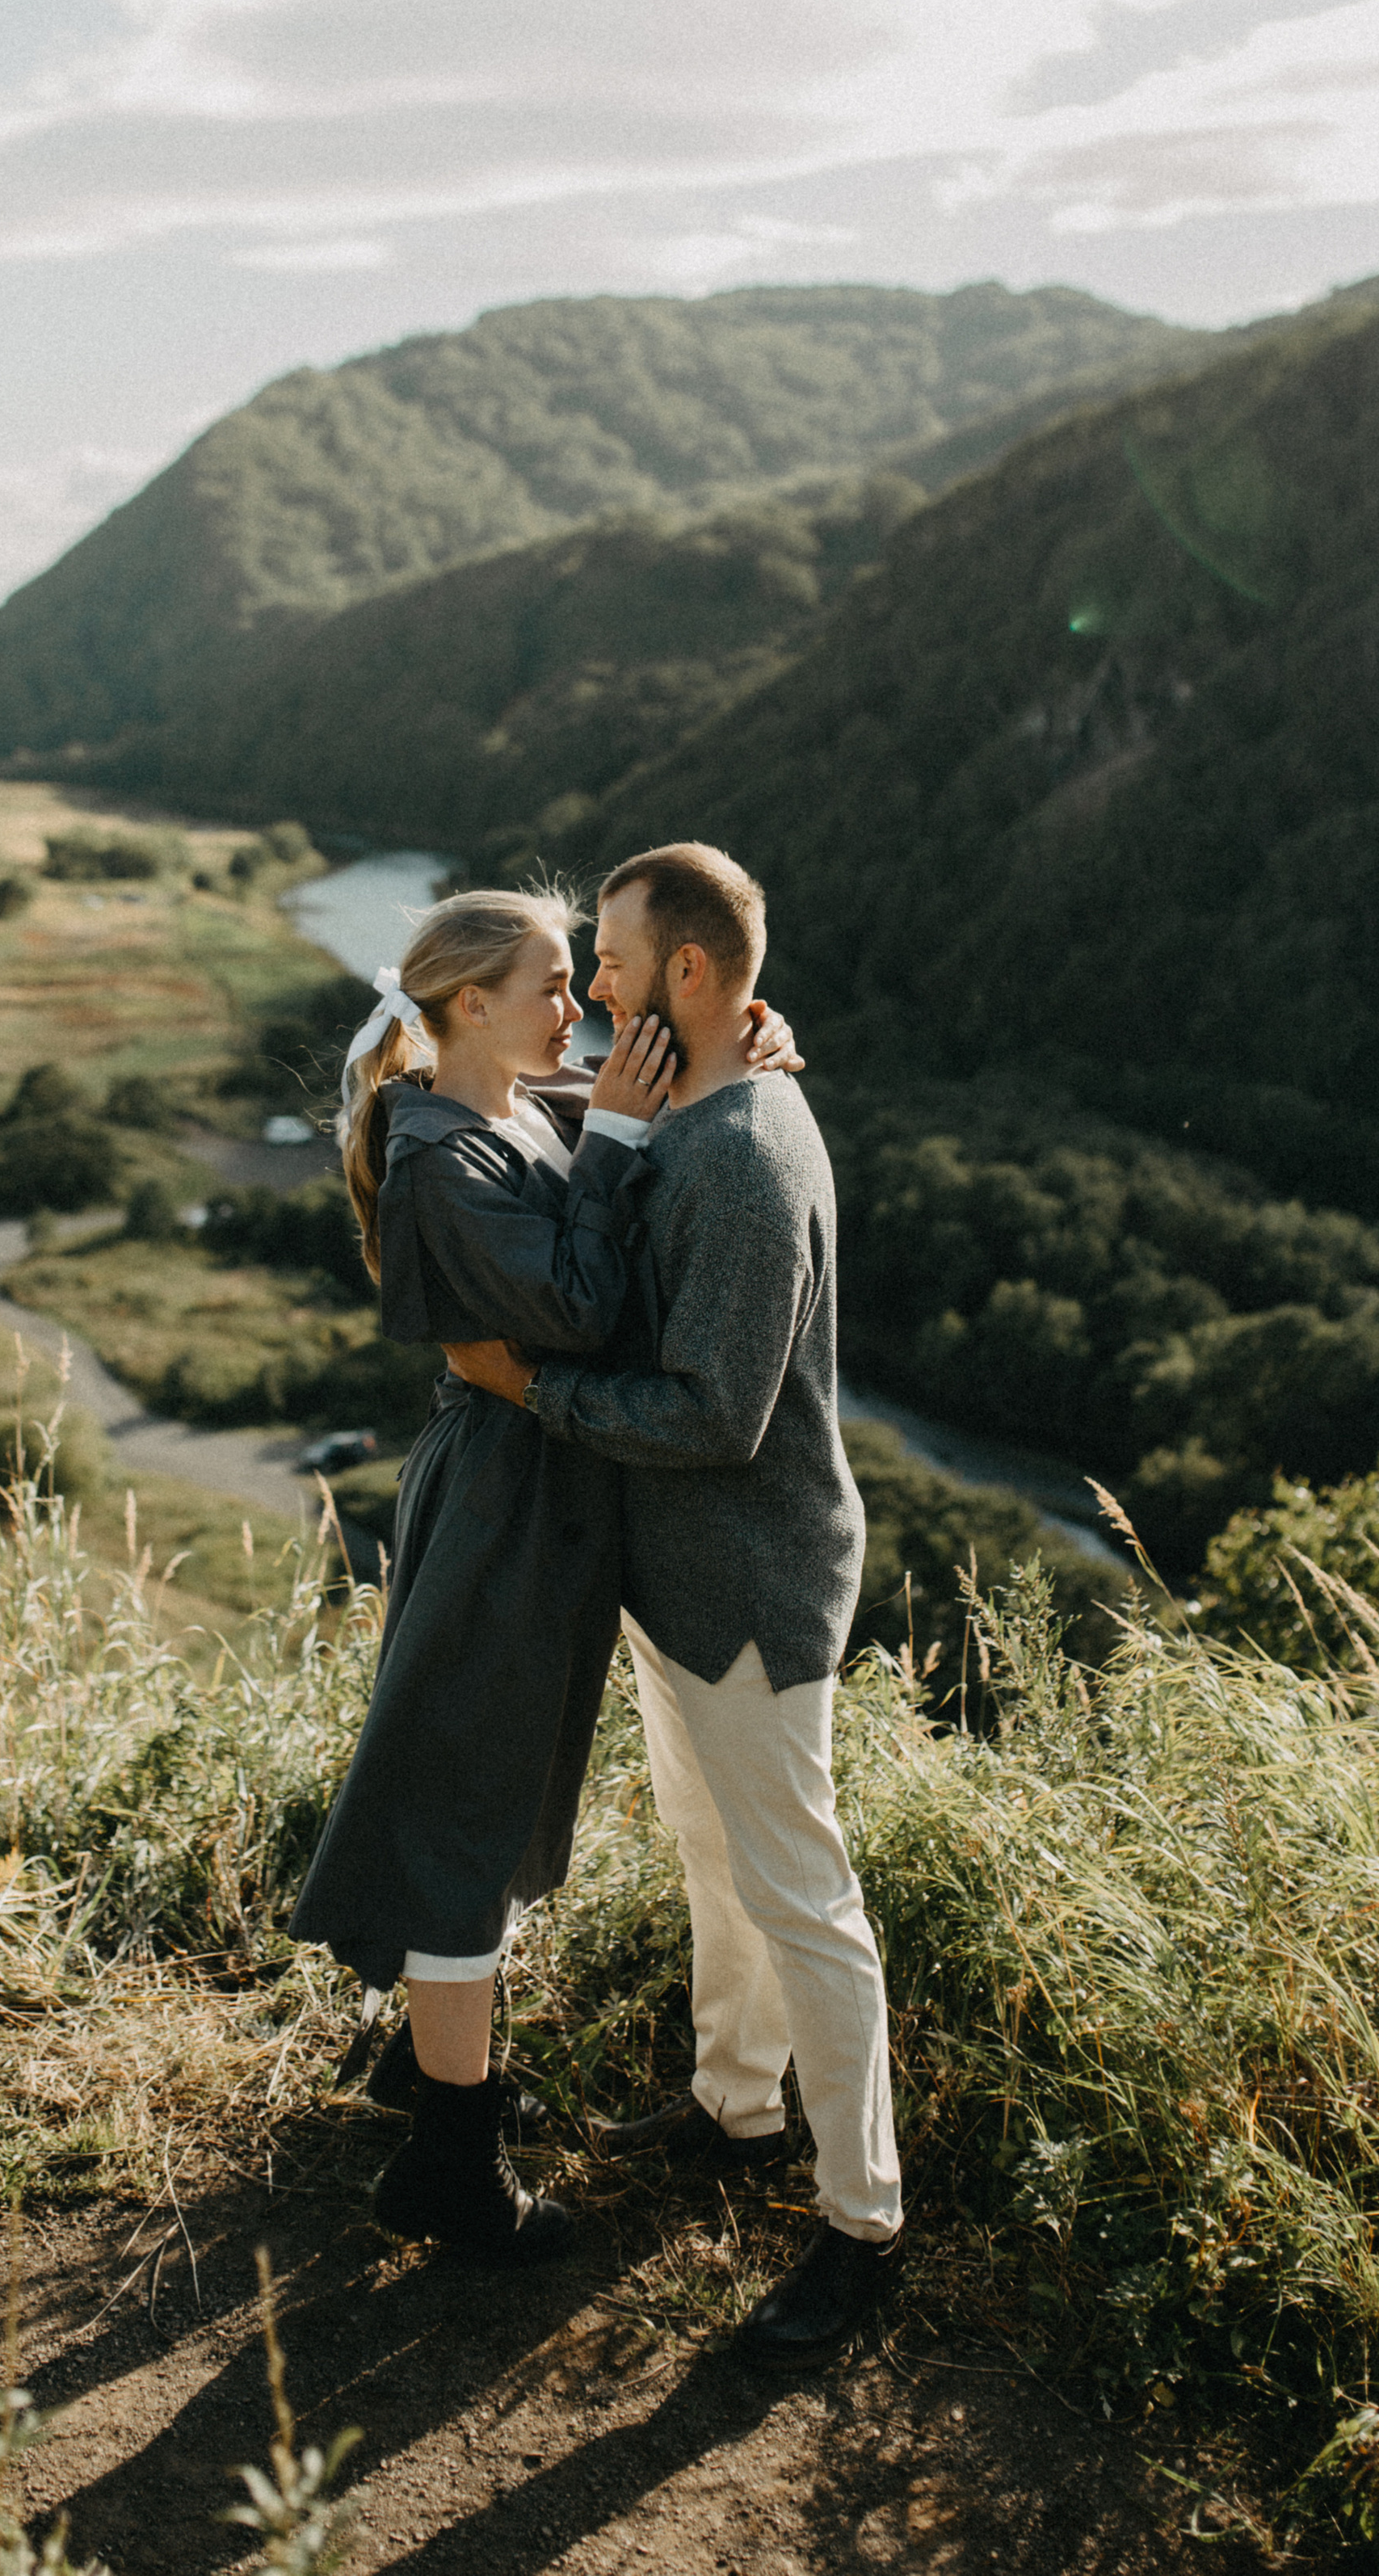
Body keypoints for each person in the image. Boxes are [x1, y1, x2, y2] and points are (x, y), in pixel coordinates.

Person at [290, 884, 797, 2267]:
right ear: (470, 1004)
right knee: (468, 1807)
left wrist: (747, 1045)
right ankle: (453, 2162)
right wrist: (622, 1133)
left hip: (541, 1494)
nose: (583, 1009)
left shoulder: (517, 1103)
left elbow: (656, 1102)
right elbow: (575, 1305)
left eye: (584, 980)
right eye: (553, 986)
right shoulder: (442, 1159)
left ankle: (431, 2073)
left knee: (493, 1786)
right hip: (506, 1504)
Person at [446, 842, 904, 2369]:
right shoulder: (690, 1104)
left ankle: (863, 2227)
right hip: (683, 1583)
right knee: (720, 1863)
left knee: (806, 1904)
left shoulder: (748, 1155)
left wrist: (532, 1387)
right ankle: (737, 2106)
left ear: (689, 976)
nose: (591, 988)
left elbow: (717, 1414)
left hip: (753, 1590)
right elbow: (574, 1113)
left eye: (616, 962)